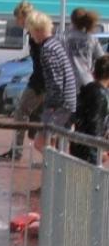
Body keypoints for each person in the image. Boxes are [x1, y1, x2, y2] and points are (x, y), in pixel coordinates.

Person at [0, 1, 45, 162]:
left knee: (21, 112)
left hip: (39, 82)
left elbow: (42, 62)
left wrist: (40, 84)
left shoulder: (35, 35)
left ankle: (17, 150)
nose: (17, 22)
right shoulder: (33, 34)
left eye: (18, 18)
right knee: (38, 116)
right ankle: (42, 151)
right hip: (40, 80)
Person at [27, 11, 76, 153]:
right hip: (69, 101)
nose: (30, 34)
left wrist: (52, 105)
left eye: (30, 30)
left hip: (60, 104)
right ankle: (56, 170)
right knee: (56, 142)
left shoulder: (47, 50)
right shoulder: (57, 44)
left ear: (37, 30)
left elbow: (55, 81)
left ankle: (55, 171)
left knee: (41, 143)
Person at [70, 55, 109, 165]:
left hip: (79, 146)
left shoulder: (87, 90)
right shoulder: (100, 96)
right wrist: (98, 152)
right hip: (90, 153)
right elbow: (95, 125)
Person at [62, 8, 105, 89]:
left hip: (68, 81)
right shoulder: (91, 38)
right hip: (87, 80)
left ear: (72, 20)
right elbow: (101, 58)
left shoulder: (65, 37)